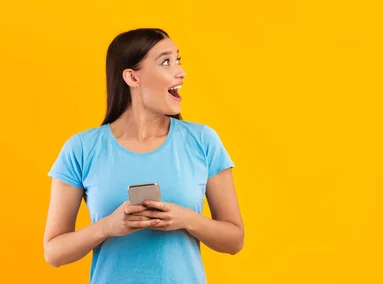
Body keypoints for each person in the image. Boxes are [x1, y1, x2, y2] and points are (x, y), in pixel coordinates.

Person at [43, 28, 244, 284]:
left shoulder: (202, 141)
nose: (180, 71)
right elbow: (54, 253)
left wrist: (185, 219)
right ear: (132, 77)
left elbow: (234, 240)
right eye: (166, 62)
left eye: (178, 60)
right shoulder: (81, 148)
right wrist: (108, 226)